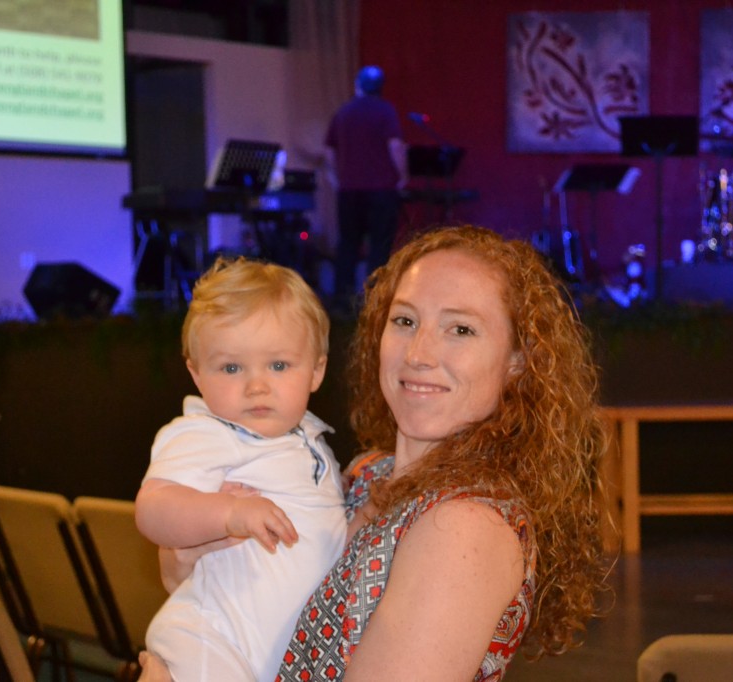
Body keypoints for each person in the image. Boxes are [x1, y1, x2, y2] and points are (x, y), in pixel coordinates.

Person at [147, 225, 607, 681]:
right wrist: (192, 550)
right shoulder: (365, 472)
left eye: (461, 329)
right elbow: (200, 576)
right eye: (405, 321)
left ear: (516, 362)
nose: (419, 353)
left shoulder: (466, 523)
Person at [134, 257, 348, 681]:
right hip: (212, 642)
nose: (256, 385)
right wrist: (228, 514)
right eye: (231, 368)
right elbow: (153, 508)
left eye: (279, 365)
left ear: (317, 370)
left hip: (267, 659)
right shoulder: (209, 432)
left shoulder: (310, 441)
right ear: (196, 373)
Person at [324, 64, 409, 313]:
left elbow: (329, 151)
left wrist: (336, 178)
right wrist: (402, 176)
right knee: (379, 247)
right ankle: (374, 301)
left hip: (349, 191)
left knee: (348, 245)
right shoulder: (386, 111)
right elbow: (395, 146)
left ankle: (343, 300)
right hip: (381, 190)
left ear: (357, 85)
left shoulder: (343, 112)